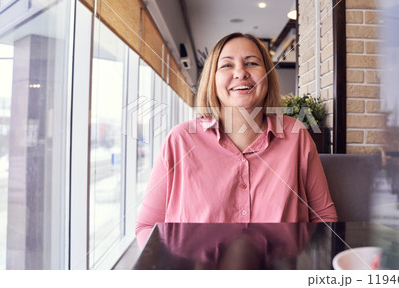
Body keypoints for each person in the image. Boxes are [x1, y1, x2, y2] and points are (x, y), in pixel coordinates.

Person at [136, 33, 337, 248]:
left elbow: (324, 218)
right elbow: (147, 226)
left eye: (251, 63)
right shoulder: (180, 140)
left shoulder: (296, 135)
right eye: (226, 65)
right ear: (212, 80)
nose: (241, 72)